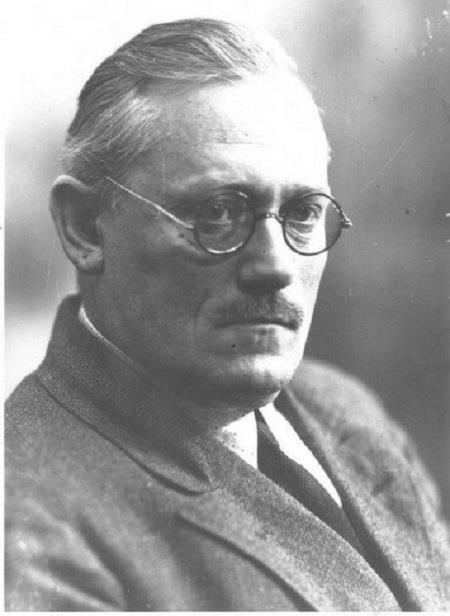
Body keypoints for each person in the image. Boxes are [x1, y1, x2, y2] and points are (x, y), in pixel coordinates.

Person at [5, 18, 450, 611]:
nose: (275, 266)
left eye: (302, 213)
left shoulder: (349, 412)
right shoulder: (32, 523)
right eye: (217, 213)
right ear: (86, 228)